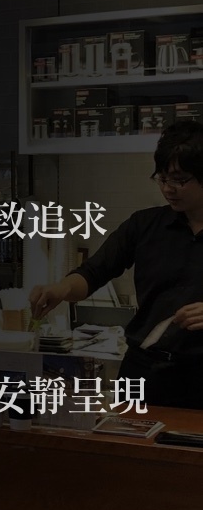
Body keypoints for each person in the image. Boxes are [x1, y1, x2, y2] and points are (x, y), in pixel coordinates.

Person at [30, 119, 203, 408]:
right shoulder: (145, 225)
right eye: (162, 178)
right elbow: (94, 271)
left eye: (179, 180)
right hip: (144, 371)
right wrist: (61, 289)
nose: (168, 189)